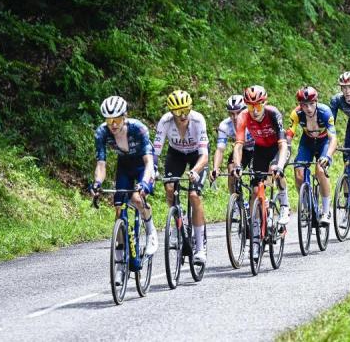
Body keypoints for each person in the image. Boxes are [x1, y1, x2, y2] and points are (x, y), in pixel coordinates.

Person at [90, 96, 157, 285]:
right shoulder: (101, 133)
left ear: (124, 117)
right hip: (125, 165)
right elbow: (101, 165)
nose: (113, 124)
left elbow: (149, 163)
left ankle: (151, 232)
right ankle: (120, 265)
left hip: (144, 163)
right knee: (119, 208)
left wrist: (144, 183)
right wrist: (97, 183)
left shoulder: (138, 128)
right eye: (109, 120)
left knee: (136, 198)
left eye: (117, 120)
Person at [231, 86, 290, 260]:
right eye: (250, 107)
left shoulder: (273, 113)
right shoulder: (243, 116)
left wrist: (279, 165)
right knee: (256, 191)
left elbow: (283, 144)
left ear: (264, 103)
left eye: (257, 106)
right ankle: (256, 241)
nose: (254, 111)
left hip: (278, 148)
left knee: (274, 172)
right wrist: (237, 165)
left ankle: (284, 205)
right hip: (261, 150)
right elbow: (239, 144)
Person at [154, 90, 210, 265]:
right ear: (172, 112)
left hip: (196, 156)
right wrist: (153, 168)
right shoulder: (165, 122)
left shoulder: (198, 120)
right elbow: (155, 151)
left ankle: (200, 247)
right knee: (170, 188)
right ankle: (179, 221)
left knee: (194, 196)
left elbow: (205, 155)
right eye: (178, 112)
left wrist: (195, 171)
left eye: (186, 110)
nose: (183, 115)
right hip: (176, 155)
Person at [286, 87, 338, 225]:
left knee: (320, 171)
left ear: (316, 102)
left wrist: (327, 156)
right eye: (304, 105)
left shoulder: (325, 112)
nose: (308, 108)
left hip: (324, 142)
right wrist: (285, 154)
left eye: (311, 104)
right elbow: (289, 136)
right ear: (300, 105)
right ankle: (306, 207)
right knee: (299, 173)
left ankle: (326, 211)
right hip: (307, 141)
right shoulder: (296, 114)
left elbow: (333, 138)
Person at [210, 95, 255, 193]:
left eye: (238, 113)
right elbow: (220, 150)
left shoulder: (254, 120)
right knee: (232, 169)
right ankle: (236, 201)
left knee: (255, 177)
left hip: (258, 149)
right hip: (242, 149)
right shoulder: (225, 126)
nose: (235, 117)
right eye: (231, 113)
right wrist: (215, 168)